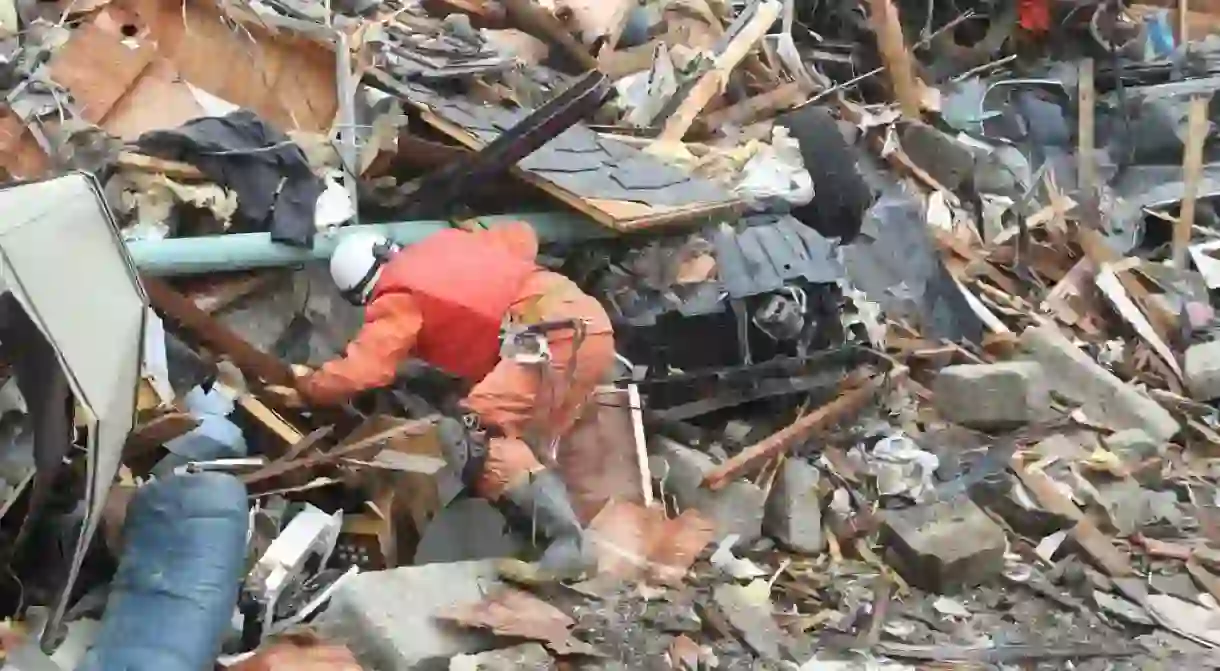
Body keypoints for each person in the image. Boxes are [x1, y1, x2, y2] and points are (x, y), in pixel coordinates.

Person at [291, 221, 615, 577]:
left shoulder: (398, 297)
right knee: (523, 442)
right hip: (587, 324)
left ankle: (568, 543)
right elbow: (523, 233)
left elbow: (363, 372)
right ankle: (545, 542)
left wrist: (310, 385)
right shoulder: (450, 243)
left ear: (361, 291)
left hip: (547, 338)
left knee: (473, 433)